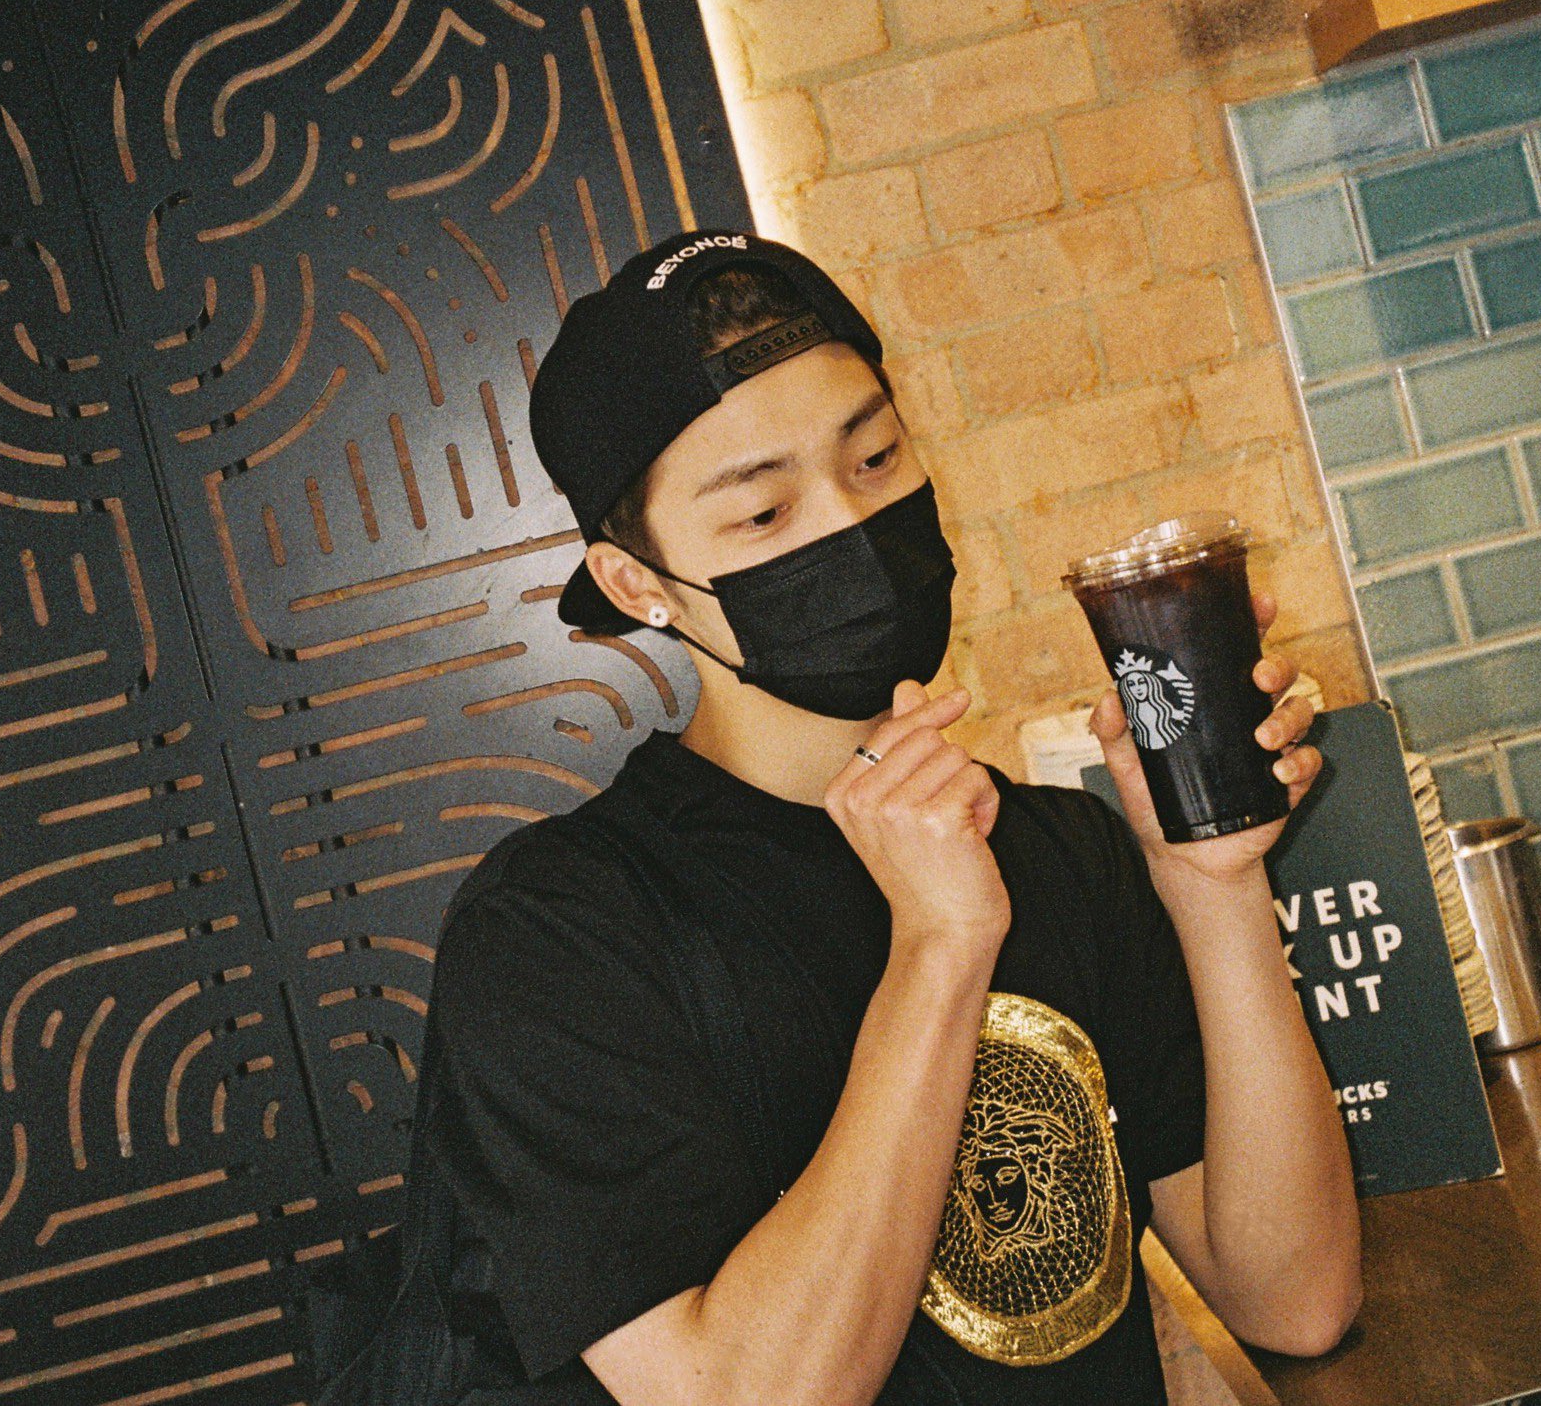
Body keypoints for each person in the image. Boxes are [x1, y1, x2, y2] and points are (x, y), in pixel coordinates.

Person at [415, 229, 1361, 1405]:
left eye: (873, 457)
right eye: (763, 513)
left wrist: (1210, 885)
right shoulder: (553, 937)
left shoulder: (1058, 850)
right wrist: (936, 948)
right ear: (637, 585)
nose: (848, 526)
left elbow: (1295, 1299)